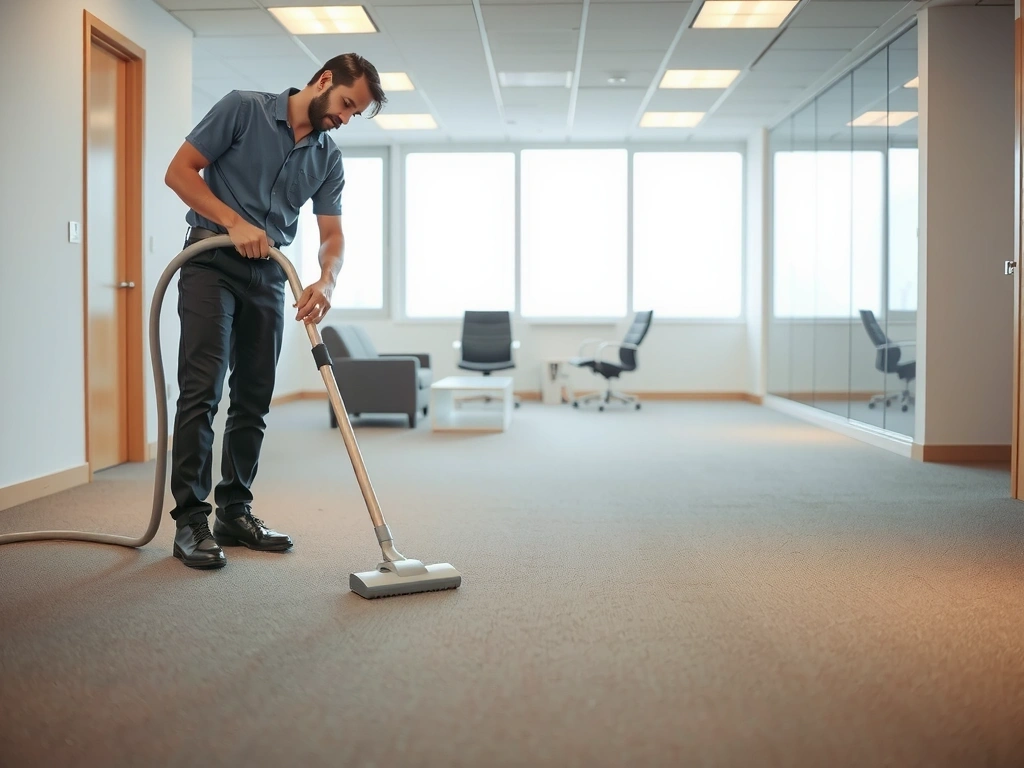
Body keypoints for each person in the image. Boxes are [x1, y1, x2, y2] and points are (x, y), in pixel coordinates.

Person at [162, 53, 387, 569]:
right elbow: (179, 172)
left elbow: (332, 236)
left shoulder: (327, 157)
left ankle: (234, 512)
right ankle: (191, 520)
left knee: (254, 396)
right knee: (202, 389)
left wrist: (326, 279)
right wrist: (232, 221)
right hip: (210, 263)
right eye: (347, 105)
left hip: (268, 274)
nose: (346, 119)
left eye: (356, 114)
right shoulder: (243, 110)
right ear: (325, 80)